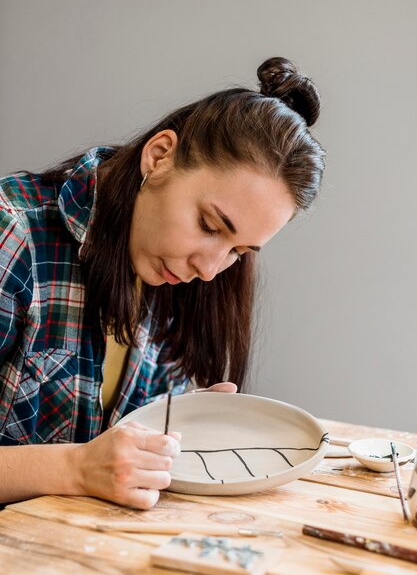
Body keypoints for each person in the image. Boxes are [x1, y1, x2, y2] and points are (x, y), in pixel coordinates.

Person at [0, 57, 325, 509]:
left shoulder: (177, 279)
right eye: (210, 226)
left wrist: (179, 424)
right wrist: (75, 468)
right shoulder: (11, 234)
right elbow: (83, 465)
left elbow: (115, 460)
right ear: (159, 157)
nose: (210, 269)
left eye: (237, 252)